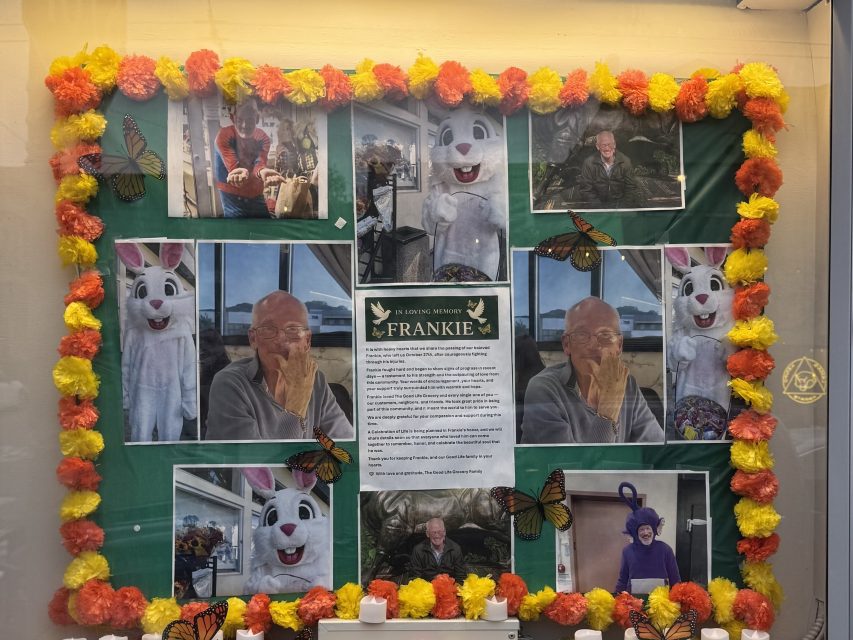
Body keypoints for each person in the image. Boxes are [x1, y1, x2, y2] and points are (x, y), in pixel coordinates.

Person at [205, 291, 353, 440]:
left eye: (293, 330)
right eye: (268, 328)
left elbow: (345, 447)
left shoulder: (316, 381)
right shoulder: (229, 383)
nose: (281, 341)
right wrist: (296, 405)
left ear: (307, 341)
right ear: (253, 339)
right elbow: (252, 461)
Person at [520, 297, 663, 443]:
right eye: (581, 334)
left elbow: (656, 451)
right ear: (566, 344)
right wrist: (607, 414)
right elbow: (568, 465)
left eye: (606, 335)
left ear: (619, 346)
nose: (594, 345)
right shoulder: (543, 388)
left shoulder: (628, 385)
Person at [213, 98, 283, 218]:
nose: (244, 125)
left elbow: (259, 163)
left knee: (267, 232)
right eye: (240, 120)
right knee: (238, 234)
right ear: (233, 118)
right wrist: (237, 172)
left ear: (257, 118)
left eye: (250, 120)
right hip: (233, 200)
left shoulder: (263, 137)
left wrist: (263, 171)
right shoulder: (224, 135)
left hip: (256, 196)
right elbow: (233, 166)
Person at [614, 482, 680, 594]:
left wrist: (678, 598)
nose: (646, 533)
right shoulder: (627, 551)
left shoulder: (665, 549)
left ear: (653, 529)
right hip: (634, 602)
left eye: (648, 528)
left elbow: (675, 579)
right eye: (641, 529)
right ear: (635, 533)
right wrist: (616, 598)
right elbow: (623, 579)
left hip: (662, 603)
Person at [576, 130, 642, 209]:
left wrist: (623, 209)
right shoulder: (589, 163)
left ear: (614, 145)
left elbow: (631, 188)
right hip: (596, 208)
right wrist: (600, 209)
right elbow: (586, 190)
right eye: (603, 145)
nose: (607, 148)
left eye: (609, 144)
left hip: (620, 207)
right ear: (597, 146)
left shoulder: (625, 162)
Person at [409, 517, 466, 583]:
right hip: (426, 589)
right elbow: (415, 578)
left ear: (444, 532)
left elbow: (461, 577)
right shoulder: (418, 550)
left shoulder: (455, 549)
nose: (437, 536)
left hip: (449, 589)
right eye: (434, 532)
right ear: (427, 534)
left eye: (439, 532)